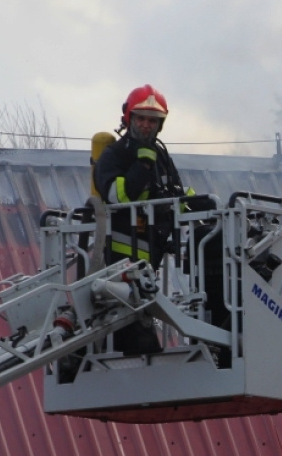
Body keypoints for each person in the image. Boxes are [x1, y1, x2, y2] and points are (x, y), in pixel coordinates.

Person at [91, 85, 226, 356]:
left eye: (152, 120)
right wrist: (141, 166)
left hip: (148, 262)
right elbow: (117, 196)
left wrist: (206, 208)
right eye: (141, 118)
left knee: (139, 327)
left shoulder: (160, 156)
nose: (146, 125)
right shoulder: (115, 155)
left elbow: (172, 193)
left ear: (160, 124)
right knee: (134, 336)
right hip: (120, 262)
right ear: (129, 118)